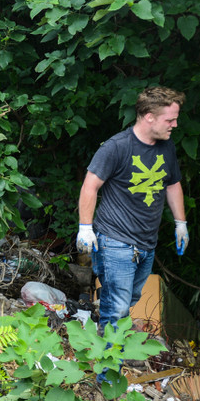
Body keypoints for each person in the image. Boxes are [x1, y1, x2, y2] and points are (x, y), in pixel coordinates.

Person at [76, 86, 189, 332]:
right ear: (149, 116)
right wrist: (85, 228)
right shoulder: (116, 147)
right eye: (170, 119)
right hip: (115, 241)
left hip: (147, 243)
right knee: (117, 308)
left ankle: (105, 345)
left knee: (128, 303)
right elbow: (89, 186)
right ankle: (107, 367)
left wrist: (181, 224)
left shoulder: (166, 147)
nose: (175, 125)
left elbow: (173, 185)